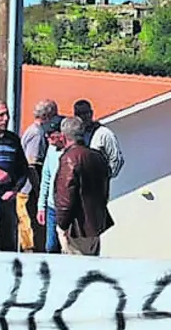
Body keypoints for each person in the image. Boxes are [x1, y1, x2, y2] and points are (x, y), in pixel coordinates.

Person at [53, 116, 114, 256]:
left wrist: (61, 225)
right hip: (95, 224)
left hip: (76, 227)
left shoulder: (70, 158)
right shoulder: (98, 156)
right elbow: (104, 190)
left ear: (63, 137)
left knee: (75, 270)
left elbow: (66, 196)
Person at [0, 99, 29, 252]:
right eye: (1, 115)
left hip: (7, 199)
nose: (6, 119)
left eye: (7, 114)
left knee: (7, 240)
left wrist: (14, 190)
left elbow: (22, 169)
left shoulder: (13, 140)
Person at [20, 99, 57, 252]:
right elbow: (32, 165)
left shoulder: (32, 130)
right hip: (29, 191)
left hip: (28, 190)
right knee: (33, 232)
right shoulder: (37, 134)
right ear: (47, 116)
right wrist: (40, 191)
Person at [73, 99, 124, 181]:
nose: (83, 117)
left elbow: (116, 159)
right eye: (79, 114)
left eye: (86, 113)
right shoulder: (75, 135)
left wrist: (104, 178)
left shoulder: (104, 134)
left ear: (91, 113)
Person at [35, 118, 66, 254]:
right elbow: (46, 177)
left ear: (61, 135)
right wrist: (41, 206)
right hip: (51, 207)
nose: (48, 139)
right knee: (50, 246)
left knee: (66, 246)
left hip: (66, 207)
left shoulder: (71, 152)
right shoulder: (51, 150)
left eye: (51, 136)